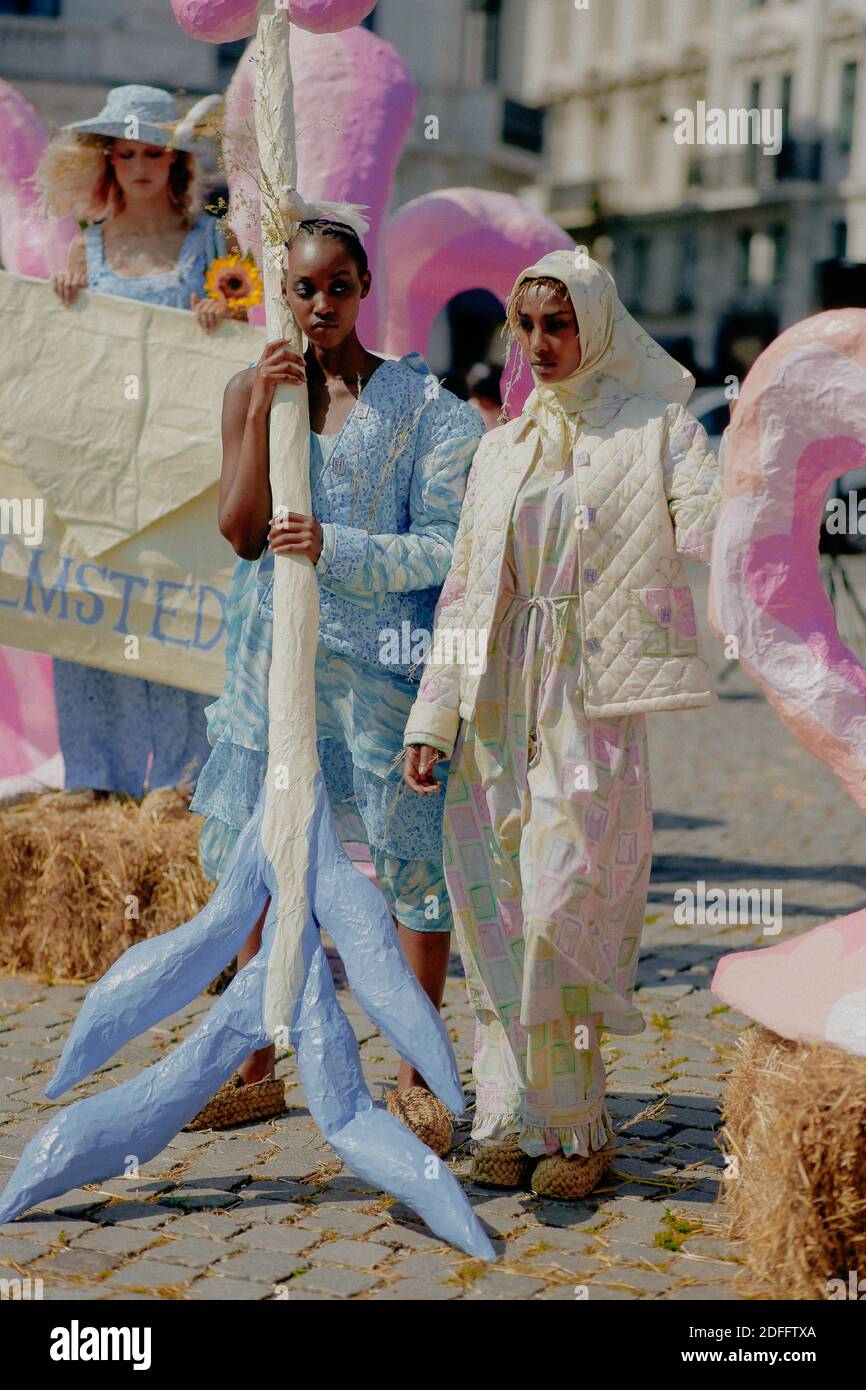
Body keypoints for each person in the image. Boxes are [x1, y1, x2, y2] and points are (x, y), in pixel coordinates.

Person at [401, 249, 722, 1199]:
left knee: (561, 906)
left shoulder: (656, 430)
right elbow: (465, 591)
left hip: (590, 698)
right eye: (526, 327)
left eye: (560, 324)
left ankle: (576, 1125)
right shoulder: (502, 448)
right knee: (497, 910)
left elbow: (714, 522)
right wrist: (435, 718)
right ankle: (512, 1115)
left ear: (598, 326)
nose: (540, 344)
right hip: (496, 697)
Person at [186, 205, 484, 1145]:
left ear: (366, 290)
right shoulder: (253, 388)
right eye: (304, 287)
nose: (321, 304)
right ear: (284, 290)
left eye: (339, 286)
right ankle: (252, 1063)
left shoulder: (423, 406)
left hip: (381, 672)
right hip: (272, 662)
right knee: (260, 851)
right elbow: (239, 537)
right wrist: (260, 408)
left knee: (409, 860)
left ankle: (421, 1074)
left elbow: (445, 549)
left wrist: (336, 545)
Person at [36, 85, 239, 798]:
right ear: (107, 162)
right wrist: (60, 303)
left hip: (185, 466)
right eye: (127, 153)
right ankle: (95, 778)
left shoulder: (212, 245)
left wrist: (224, 316)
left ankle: (184, 780)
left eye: (155, 152)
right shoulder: (81, 252)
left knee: (180, 608)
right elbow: (54, 367)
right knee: (90, 606)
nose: (142, 166)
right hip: (99, 470)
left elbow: (248, 349)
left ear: (175, 161)